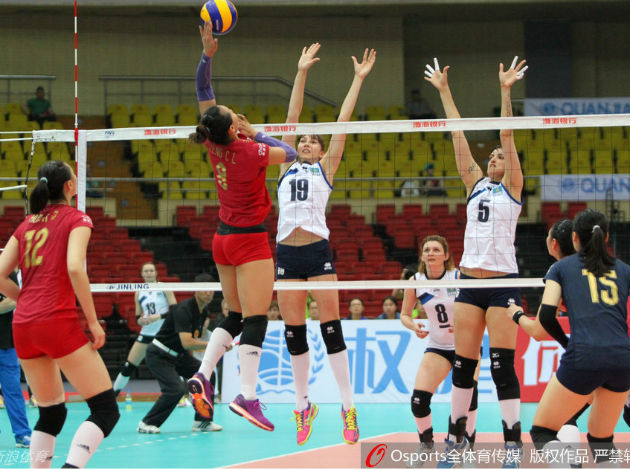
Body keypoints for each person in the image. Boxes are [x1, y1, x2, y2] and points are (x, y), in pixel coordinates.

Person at [186, 23, 298, 432]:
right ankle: (247, 396)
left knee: (234, 315)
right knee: (255, 318)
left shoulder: (212, 140)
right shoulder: (251, 150)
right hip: (250, 241)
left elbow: (203, 90)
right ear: (234, 128)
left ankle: (202, 375)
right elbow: (290, 153)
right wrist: (258, 133)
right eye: (235, 117)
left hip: (222, 239)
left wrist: (207, 54)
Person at [425, 55, 528, 461]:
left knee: (502, 367)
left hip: (502, 283)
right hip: (469, 283)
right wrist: (444, 91)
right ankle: (457, 438)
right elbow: (457, 135)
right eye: (492, 157)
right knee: (463, 367)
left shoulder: (513, 187)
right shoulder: (475, 184)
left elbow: (507, 134)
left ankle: (513, 443)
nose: (494, 160)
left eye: (500, 157)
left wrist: (505, 90)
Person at [275, 42, 375, 446]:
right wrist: (301, 72)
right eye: (303, 139)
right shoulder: (284, 163)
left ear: (321, 151)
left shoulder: (325, 169)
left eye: (313, 141)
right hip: (286, 252)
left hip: (317, 252)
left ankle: (348, 407)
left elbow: (343, 122)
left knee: (330, 327)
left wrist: (358, 80)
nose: (306, 142)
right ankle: (303, 406)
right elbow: (291, 117)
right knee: (293, 332)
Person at [0, 160, 119, 468]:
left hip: (23, 326)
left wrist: (25, 299)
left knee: (51, 413)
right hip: (55, 322)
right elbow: (75, 267)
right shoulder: (77, 218)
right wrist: (93, 322)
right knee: (105, 410)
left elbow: (0, 274)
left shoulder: (27, 224)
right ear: (69, 186)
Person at [515, 209, 630, 465]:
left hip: (584, 355)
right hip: (622, 358)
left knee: (542, 431)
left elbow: (546, 317)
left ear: (575, 237)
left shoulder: (561, 268)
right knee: (601, 439)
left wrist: (567, 344)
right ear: (606, 237)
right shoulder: (624, 269)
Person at [508, 219, 592, 445]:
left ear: (553, 243)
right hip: (621, 349)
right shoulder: (606, 267)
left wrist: (516, 314)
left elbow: (539, 330)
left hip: (590, 355)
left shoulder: (560, 271)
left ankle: (569, 462)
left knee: (546, 429)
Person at [401, 235, 479, 462]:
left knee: (469, 398)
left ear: (446, 255)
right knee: (418, 401)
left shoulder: (458, 277)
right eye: (427, 250)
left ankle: (467, 448)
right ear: (422, 256)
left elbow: (479, 307)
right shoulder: (415, 281)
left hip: (466, 345)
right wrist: (413, 325)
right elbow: (405, 314)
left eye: (436, 250)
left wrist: (466, 324)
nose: (431, 253)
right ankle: (426, 446)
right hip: (437, 347)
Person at [138, 273, 222, 434]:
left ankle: (202, 421)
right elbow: (187, 342)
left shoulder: (203, 312)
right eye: (204, 289)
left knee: (207, 374)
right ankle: (146, 423)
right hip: (160, 354)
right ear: (195, 290)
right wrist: (215, 345)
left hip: (179, 356)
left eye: (211, 289)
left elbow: (190, 343)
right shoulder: (184, 309)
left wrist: (196, 369)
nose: (208, 293)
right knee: (175, 390)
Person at [113, 262, 177, 396]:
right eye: (146, 271)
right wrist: (141, 320)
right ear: (142, 274)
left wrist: (158, 317)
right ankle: (112, 397)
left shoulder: (164, 288)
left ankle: (183, 397)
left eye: (151, 271)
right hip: (146, 334)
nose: (149, 273)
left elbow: (175, 311)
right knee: (128, 366)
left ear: (156, 273)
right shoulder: (138, 292)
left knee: (175, 367)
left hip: (163, 335)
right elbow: (138, 317)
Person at [0, 268, 32, 448]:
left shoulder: (5, 271)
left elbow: (14, 299)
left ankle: (22, 434)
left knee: (12, 391)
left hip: (6, 344)